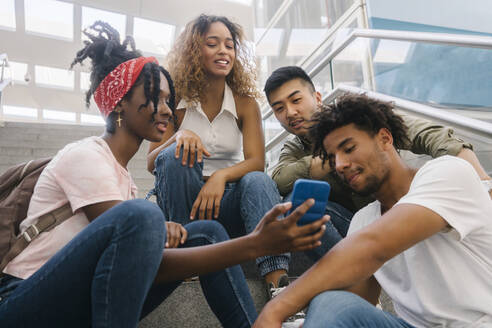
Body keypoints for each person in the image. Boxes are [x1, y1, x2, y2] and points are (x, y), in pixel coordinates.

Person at [0, 22, 329, 328]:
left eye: (168, 100)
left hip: (80, 301)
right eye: (155, 97)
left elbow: (138, 266)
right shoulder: (84, 154)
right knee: (144, 214)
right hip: (23, 297)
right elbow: (148, 254)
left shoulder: (124, 182)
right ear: (119, 106)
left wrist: (164, 232)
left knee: (206, 231)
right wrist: (254, 244)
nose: (168, 110)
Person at [253, 94, 492, 328]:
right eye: (333, 157)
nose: (339, 165)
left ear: (385, 138)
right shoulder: (363, 220)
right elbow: (354, 303)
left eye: (348, 148)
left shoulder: (448, 173)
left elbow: (373, 246)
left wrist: (276, 307)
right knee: (331, 303)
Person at [264, 65, 491, 258]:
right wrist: (330, 158)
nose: (290, 112)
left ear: (317, 97)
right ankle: (350, 277)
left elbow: (430, 135)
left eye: (296, 100)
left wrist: (482, 182)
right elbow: (278, 180)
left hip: (403, 208)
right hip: (356, 224)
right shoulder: (294, 147)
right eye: (279, 108)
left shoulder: (355, 116)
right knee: (298, 201)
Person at [147, 15, 289, 293]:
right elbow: (153, 162)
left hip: (231, 201)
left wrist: (221, 177)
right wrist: (179, 136)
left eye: (229, 45)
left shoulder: (246, 104)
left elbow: (257, 162)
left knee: (259, 181)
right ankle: (185, 262)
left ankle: (278, 284)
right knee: (175, 154)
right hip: (184, 202)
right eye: (213, 44)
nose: (224, 51)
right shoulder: (174, 102)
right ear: (194, 51)